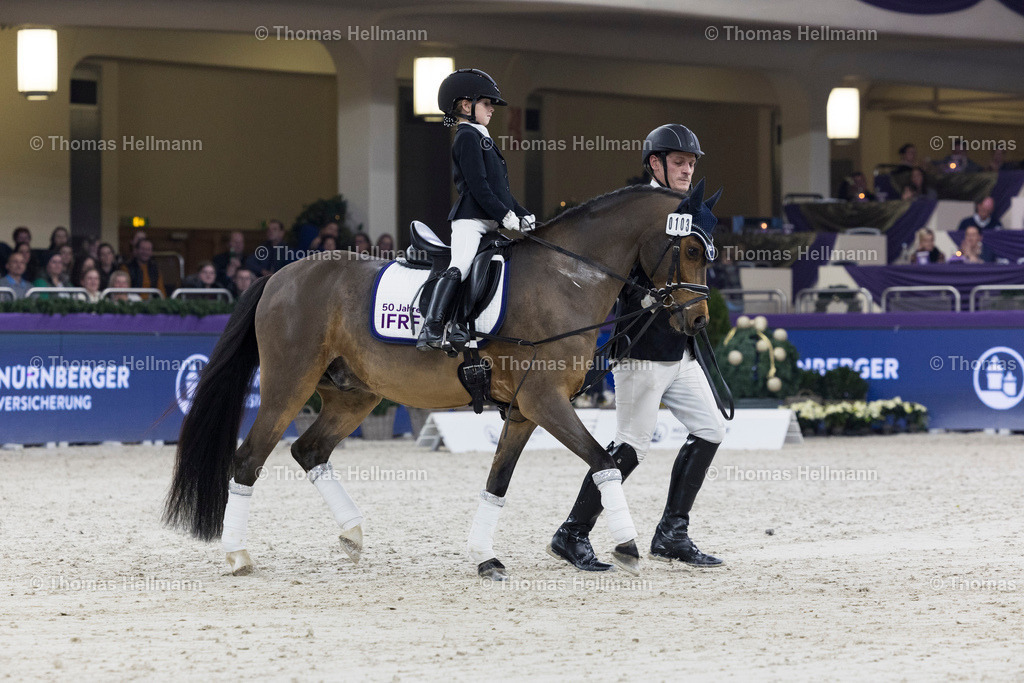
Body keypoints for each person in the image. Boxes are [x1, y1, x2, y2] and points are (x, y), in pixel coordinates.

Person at [548, 123, 726, 572]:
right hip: (643, 348)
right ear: (655, 163)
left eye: (691, 163)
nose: (687, 170)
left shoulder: (686, 210)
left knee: (711, 429)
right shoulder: (634, 210)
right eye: (679, 162)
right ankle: (573, 531)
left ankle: (672, 533)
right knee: (631, 446)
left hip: (680, 350)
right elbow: (614, 274)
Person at [417, 68, 535, 351]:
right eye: (486, 103)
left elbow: (500, 191)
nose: (492, 109)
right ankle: (433, 326)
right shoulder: (467, 136)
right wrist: (505, 216)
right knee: (462, 264)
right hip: (470, 219)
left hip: (490, 220)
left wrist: (522, 213)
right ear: (466, 106)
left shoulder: (481, 136)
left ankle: (467, 322)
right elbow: (479, 187)